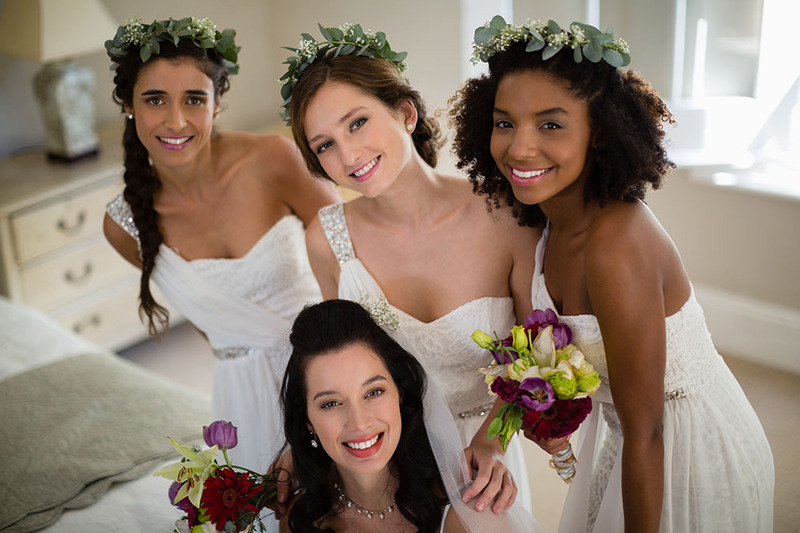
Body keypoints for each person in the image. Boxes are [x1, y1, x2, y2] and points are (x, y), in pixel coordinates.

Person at [450, 16, 775, 533]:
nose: (520, 148)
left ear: (599, 133)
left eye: (551, 124)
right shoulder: (542, 218)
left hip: (682, 446)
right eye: (505, 121)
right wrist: (496, 434)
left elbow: (649, 431)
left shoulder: (617, 247)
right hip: (624, 436)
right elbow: (539, 348)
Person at [280, 22, 542, 515]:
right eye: (324, 145)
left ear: (404, 112)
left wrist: (492, 442)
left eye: (357, 123)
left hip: (485, 463)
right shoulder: (326, 239)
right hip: (386, 460)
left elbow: (536, 360)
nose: (348, 155)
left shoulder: (507, 215)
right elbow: (331, 362)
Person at [102, 15, 340, 490]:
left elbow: (353, 252)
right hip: (243, 395)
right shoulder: (123, 227)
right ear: (129, 105)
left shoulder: (273, 159)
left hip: (330, 364)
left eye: (194, 99)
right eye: (154, 100)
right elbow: (215, 323)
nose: (176, 121)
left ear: (216, 103)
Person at [279, 299, 540, 533]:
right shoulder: (299, 518)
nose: (360, 422)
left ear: (400, 393)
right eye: (331, 403)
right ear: (307, 421)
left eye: (374, 392)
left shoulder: (472, 516)